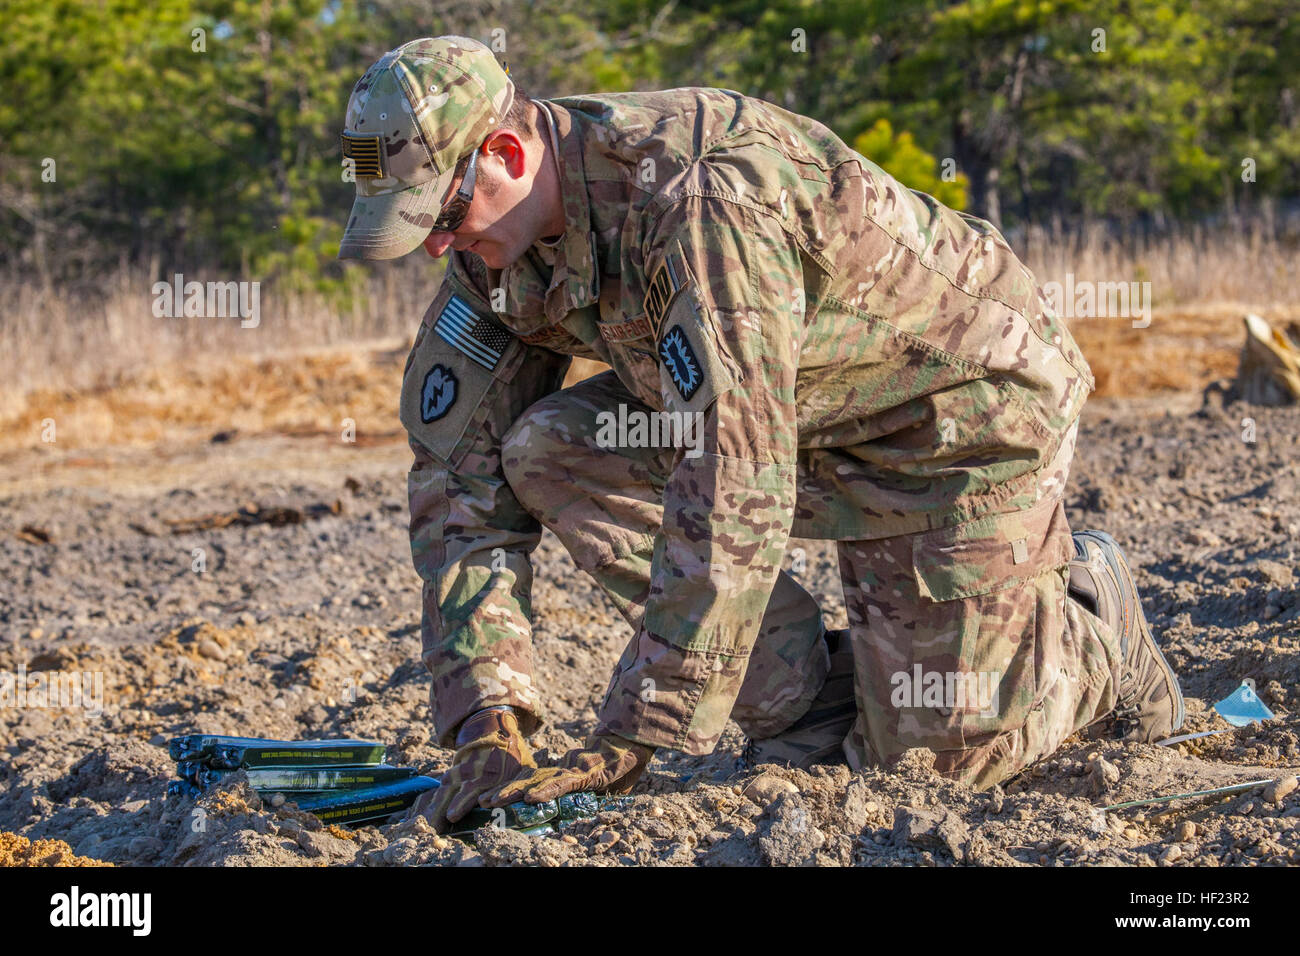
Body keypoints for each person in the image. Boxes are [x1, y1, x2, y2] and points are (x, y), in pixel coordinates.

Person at [337, 36, 1184, 831]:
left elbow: (736, 484)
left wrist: (639, 731)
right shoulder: (496, 246)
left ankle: (1088, 636)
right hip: (787, 418)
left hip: (953, 426)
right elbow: (459, 482)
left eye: (440, 215)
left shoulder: (698, 206)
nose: (436, 245)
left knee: (930, 769)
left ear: (507, 156)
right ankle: (807, 704)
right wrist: (488, 722)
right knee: (546, 449)